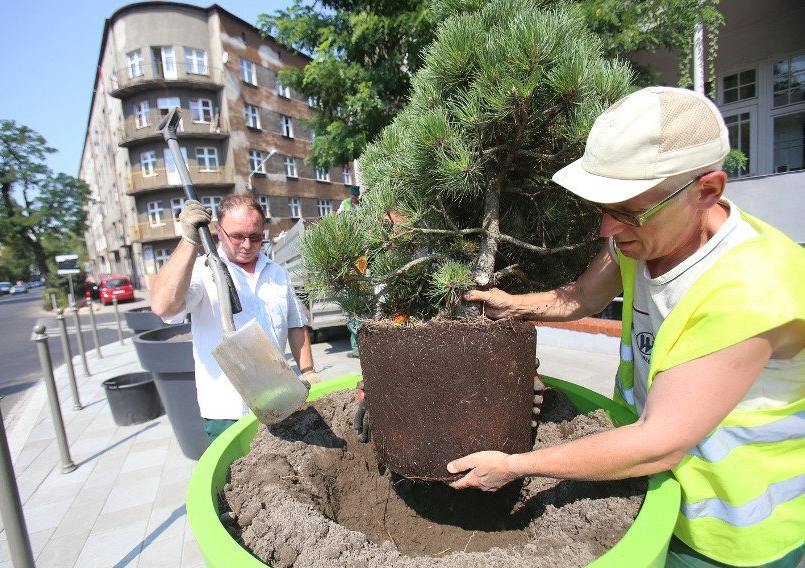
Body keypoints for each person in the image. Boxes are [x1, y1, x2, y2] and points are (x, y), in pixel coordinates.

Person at [449, 87, 804, 567]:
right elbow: (582, 297)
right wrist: (510, 306)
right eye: (603, 209)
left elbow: (659, 442)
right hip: (648, 488)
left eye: (628, 211)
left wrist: (514, 466)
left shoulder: (752, 289)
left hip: (725, 533)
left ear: (707, 191)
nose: (607, 231)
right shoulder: (643, 239)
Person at [150, 194, 319, 441]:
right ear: (218, 230)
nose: (247, 245)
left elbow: (295, 324)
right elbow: (164, 306)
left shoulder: (277, 273)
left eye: (255, 237)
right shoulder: (202, 271)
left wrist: (308, 370)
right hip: (227, 411)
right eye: (238, 236)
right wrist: (188, 241)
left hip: (279, 400)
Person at [337, 184, 363, 357]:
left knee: (356, 310)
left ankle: (359, 348)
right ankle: (357, 348)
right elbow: (338, 222)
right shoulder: (345, 205)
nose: (355, 198)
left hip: (360, 255)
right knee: (352, 309)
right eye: (354, 196)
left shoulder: (361, 205)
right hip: (351, 253)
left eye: (357, 196)